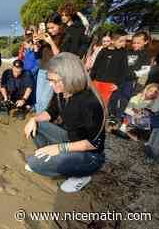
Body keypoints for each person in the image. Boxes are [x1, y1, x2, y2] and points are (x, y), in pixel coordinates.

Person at [22, 52, 106, 193]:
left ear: (71, 77)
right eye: (49, 80)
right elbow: (50, 113)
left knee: (33, 163)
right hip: (70, 139)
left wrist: (60, 149)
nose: (50, 84)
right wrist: (34, 119)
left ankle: (81, 175)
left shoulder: (90, 102)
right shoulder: (61, 91)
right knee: (36, 126)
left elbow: (93, 144)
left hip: (90, 155)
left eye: (54, 81)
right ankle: (49, 158)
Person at [33, 12, 66, 113]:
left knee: (45, 101)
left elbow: (60, 57)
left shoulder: (64, 37)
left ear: (59, 25)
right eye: (49, 28)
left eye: (52, 27)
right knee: (38, 99)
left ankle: (40, 122)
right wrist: (36, 44)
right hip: (42, 69)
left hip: (53, 73)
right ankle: (39, 120)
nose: (50, 31)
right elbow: (37, 54)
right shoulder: (46, 35)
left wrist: (51, 42)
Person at [90, 29, 130, 110]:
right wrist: (90, 80)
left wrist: (117, 84)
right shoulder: (103, 50)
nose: (124, 43)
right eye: (121, 41)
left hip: (109, 84)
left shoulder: (123, 53)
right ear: (112, 41)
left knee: (102, 104)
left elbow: (124, 70)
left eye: (125, 41)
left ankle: (98, 119)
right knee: (91, 101)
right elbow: (95, 66)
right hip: (97, 81)